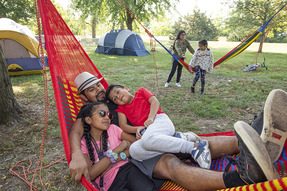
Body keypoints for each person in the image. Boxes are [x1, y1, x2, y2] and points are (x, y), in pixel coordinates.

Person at [69, 71, 287, 190]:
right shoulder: (88, 114)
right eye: (91, 89)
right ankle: (241, 179)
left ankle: (258, 138)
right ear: (83, 98)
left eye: (98, 85)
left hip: (152, 135)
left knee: (200, 144)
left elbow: (142, 108)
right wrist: (77, 154)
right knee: (171, 164)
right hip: (137, 156)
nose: (98, 90)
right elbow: (76, 132)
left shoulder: (111, 100)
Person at [105, 85, 211, 169]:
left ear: (126, 88)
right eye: (115, 99)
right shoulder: (122, 109)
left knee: (147, 141)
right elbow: (123, 125)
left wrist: (150, 118)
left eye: (118, 92)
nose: (118, 97)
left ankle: (195, 147)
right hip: (148, 132)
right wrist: (137, 129)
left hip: (159, 120)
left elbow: (155, 101)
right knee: (134, 151)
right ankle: (178, 139)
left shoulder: (140, 92)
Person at [79, 101, 156, 191]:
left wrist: (115, 159)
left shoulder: (113, 129)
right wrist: (119, 148)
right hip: (108, 183)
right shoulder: (83, 143)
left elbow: (136, 143)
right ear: (89, 120)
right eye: (102, 113)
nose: (107, 117)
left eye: (109, 115)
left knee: (148, 188)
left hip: (127, 170)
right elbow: (91, 174)